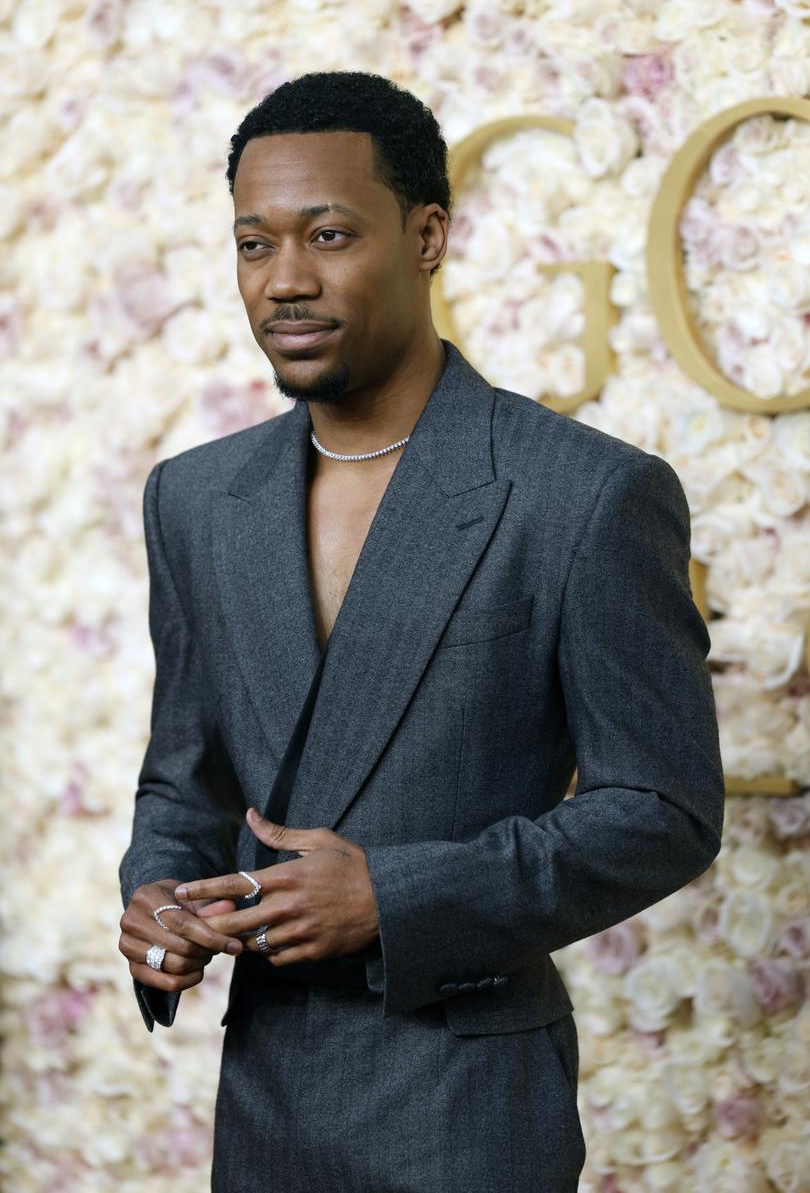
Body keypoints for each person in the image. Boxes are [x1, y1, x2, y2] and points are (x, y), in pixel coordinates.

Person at [117, 70, 725, 1192]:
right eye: (254, 246)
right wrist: (158, 896)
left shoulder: (581, 494)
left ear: (429, 234)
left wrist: (395, 896)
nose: (285, 281)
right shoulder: (196, 499)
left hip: (470, 1108)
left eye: (330, 235)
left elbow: (665, 812)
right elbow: (183, 781)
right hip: (263, 1103)